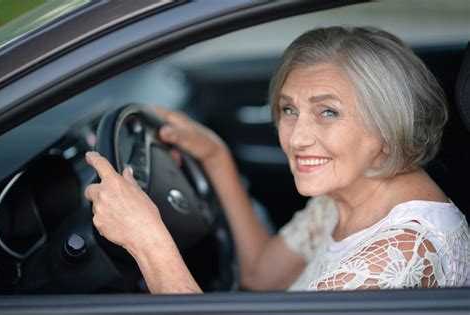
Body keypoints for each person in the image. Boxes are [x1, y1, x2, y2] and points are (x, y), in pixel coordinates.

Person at [84, 26, 469, 293]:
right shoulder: (352, 193)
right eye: (289, 110)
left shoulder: (400, 255)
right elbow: (261, 275)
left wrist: (149, 241)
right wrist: (216, 156)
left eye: (328, 112)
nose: (297, 137)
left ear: (387, 127)